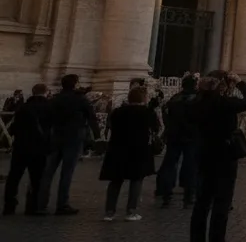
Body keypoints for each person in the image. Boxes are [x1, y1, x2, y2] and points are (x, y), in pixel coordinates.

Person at [189, 71, 246, 242]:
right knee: (222, 202)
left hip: (204, 153)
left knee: (202, 202)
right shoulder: (225, 104)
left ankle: (196, 239)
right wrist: (240, 82)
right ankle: (216, 238)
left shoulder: (195, 104)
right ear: (222, 86)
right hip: (224, 155)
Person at [36, 73, 98, 215]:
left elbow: (46, 118)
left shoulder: (55, 99)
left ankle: (41, 204)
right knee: (66, 173)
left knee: (48, 172)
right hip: (74, 138)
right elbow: (91, 117)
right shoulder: (80, 99)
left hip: (56, 136)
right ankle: (62, 204)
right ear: (75, 84)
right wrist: (97, 136)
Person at [100, 85, 159, 221]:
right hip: (139, 149)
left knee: (115, 180)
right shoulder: (147, 112)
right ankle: (131, 211)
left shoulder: (118, 111)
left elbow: (112, 126)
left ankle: (109, 212)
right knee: (136, 180)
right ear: (144, 98)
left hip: (118, 148)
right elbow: (156, 128)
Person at [3, 83, 50, 216]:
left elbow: (14, 127)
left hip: (21, 147)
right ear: (46, 92)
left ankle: (9, 205)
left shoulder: (23, 107)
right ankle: (33, 206)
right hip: (39, 148)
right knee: (37, 179)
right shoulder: (49, 107)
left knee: (14, 177)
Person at [156, 75, 200, 208]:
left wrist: (169, 128)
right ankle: (188, 195)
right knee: (190, 165)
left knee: (170, 164)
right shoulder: (198, 100)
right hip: (191, 137)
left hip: (174, 136)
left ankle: (166, 194)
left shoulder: (174, 99)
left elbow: (166, 115)